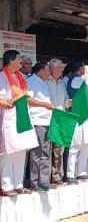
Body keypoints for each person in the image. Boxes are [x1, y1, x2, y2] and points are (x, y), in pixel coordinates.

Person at [0, 50, 39, 196]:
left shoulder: (21, 77)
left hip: (22, 116)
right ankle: (7, 185)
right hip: (9, 118)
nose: (20, 62)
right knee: (8, 152)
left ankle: (18, 184)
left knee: (21, 150)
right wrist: (3, 102)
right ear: (10, 61)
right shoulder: (1, 76)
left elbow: (25, 97)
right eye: (18, 60)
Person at [27, 61, 56, 191]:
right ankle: (34, 182)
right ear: (40, 71)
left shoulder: (44, 83)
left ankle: (43, 180)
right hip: (37, 121)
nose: (49, 74)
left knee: (45, 152)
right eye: (47, 71)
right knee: (36, 153)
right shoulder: (31, 81)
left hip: (47, 121)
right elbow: (29, 100)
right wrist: (44, 105)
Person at [66, 60, 88, 184]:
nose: (85, 69)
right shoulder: (76, 79)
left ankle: (81, 172)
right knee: (75, 146)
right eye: (83, 67)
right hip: (78, 116)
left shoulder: (78, 79)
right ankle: (70, 173)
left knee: (85, 145)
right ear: (79, 68)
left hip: (85, 116)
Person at [46, 58, 69, 185]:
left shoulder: (62, 83)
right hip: (48, 120)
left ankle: (56, 176)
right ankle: (46, 177)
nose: (62, 69)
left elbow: (65, 99)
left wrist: (68, 102)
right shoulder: (45, 82)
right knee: (47, 150)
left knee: (58, 150)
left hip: (60, 120)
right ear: (53, 69)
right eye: (60, 67)